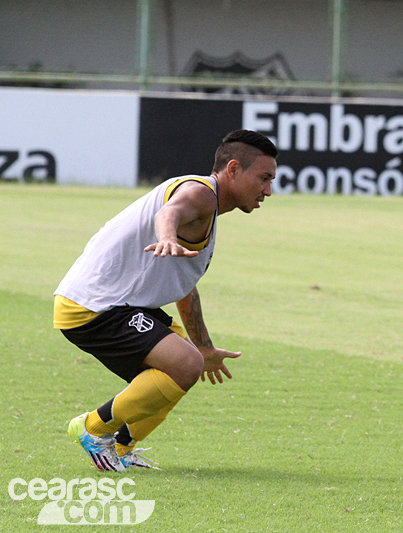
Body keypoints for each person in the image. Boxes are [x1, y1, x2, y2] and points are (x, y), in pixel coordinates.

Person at [54, 129, 277, 471]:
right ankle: (91, 428)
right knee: (183, 365)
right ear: (232, 169)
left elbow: (183, 286)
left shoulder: (208, 212)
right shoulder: (201, 193)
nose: (268, 190)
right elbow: (169, 213)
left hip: (121, 304)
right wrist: (167, 237)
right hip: (93, 306)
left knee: (187, 364)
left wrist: (204, 346)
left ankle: (122, 447)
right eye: (263, 178)